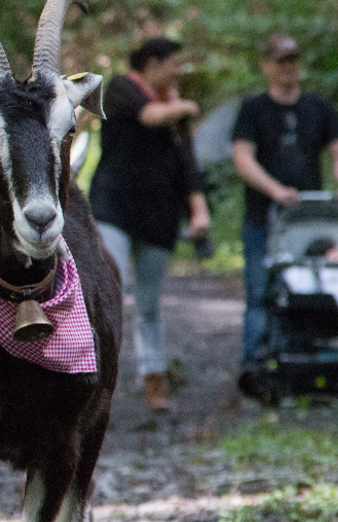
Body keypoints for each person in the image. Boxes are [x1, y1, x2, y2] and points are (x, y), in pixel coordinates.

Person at [90, 37, 210, 412]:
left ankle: (153, 379)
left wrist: (199, 210)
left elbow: (189, 166)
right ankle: (89, 381)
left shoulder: (174, 107)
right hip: (114, 210)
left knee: (149, 304)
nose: (179, 71)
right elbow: (148, 116)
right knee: (110, 290)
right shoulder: (121, 89)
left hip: (160, 217)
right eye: (175, 63)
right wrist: (186, 106)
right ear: (153, 63)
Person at [232, 34, 338, 385]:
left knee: (310, 286)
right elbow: (242, 158)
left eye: (292, 60)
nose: (287, 67)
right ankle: (256, 360)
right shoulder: (254, 109)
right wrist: (275, 190)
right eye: (280, 61)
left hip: (310, 221)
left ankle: (305, 355)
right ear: (267, 66)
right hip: (265, 218)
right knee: (262, 290)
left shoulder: (318, 108)